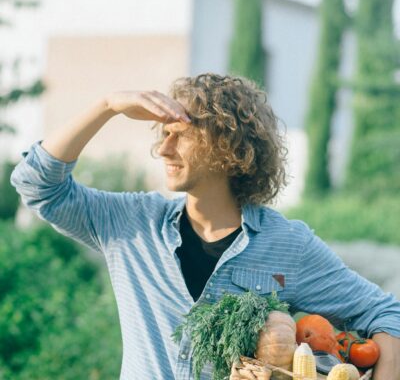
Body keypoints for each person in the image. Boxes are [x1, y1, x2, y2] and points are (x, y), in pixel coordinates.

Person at [10, 73, 400, 380]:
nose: (163, 149)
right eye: (163, 136)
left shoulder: (288, 245)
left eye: (180, 136)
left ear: (229, 147)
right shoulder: (131, 225)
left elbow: (387, 316)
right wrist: (107, 106)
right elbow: (36, 184)